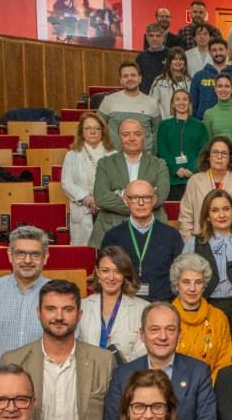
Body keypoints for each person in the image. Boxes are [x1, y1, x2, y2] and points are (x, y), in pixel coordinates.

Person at [0, 280, 116, 420]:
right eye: (51, 309)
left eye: (68, 309)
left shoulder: (103, 361)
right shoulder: (13, 361)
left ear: (79, 315)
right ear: (39, 313)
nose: (59, 317)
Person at [89, 117, 173, 248]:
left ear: (144, 137)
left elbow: (160, 196)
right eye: (126, 134)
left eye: (137, 134)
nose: (132, 138)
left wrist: (121, 194)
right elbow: (101, 197)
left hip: (151, 228)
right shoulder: (105, 163)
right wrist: (142, 203)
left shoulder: (159, 164)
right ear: (119, 138)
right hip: (111, 226)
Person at [97, 180, 184, 303]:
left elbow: (180, 276)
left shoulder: (172, 235)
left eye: (146, 198)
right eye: (135, 198)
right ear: (126, 201)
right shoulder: (112, 236)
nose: (141, 203)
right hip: (124, 304)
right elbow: (104, 276)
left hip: (162, 304)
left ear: (154, 200)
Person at [183, 188, 232, 312]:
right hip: (205, 307)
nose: (222, 215)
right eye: (215, 210)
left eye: (226, 209)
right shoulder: (193, 244)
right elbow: (184, 283)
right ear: (207, 216)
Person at [76, 246, 147, 363]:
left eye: (118, 271)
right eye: (105, 271)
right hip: (89, 373)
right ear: (97, 272)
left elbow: (141, 353)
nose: (111, 277)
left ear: (124, 275)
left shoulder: (143, 309)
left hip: (126, 376)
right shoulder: (82, 306)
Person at [169, 252, 232, 378]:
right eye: (186, 282)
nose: (192, 289)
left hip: (210, 391)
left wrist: (206, 389)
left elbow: (225, 362)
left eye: (198, 282)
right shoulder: (165, 316)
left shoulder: (218, 318)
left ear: (204, 286)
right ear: (177, 284)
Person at [178, 136, 232, 238]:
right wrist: (191, 244)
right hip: (200, 241)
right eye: (215, 152)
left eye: (224, 153)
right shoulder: (194, 182)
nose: (219, 156)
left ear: (230, 158)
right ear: (208, 156)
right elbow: (185, 218)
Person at [62, 112, 114, 248]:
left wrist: (101, 199)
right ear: (81, 132)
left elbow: (117, 183)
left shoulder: (113, 155)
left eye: (97, 128)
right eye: (88, 128)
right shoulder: (72, 154)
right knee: (84, 253)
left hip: (106, 209)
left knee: (108, 252)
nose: (93, 132)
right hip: (82, 209)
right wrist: (87, 198)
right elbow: (66, 183)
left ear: (103, 131)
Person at [156, 87, 208, 201]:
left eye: (185, 99)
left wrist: (192, 169)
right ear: (172, 104)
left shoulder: (199, 126)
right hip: (171, 180)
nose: (181, 102)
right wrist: (176, 169)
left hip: (194, 178)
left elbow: (203, 151)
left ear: (189, 103)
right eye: (177, 99)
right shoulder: (164, 125)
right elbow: (162, 151)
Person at [191, 41, 232, 117]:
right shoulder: (199, 76)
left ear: (227, 51)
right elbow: (193, 105)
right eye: (214, 50)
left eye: (221, 49)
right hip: (204, 124)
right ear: (209, 53)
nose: (218, 53)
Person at [202, 73, 232, 143]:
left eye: (227, 86)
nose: (223, 89)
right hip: (217, 153)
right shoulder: (209, 113)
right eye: (220, 86)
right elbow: (207, 142)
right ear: (215, 89)